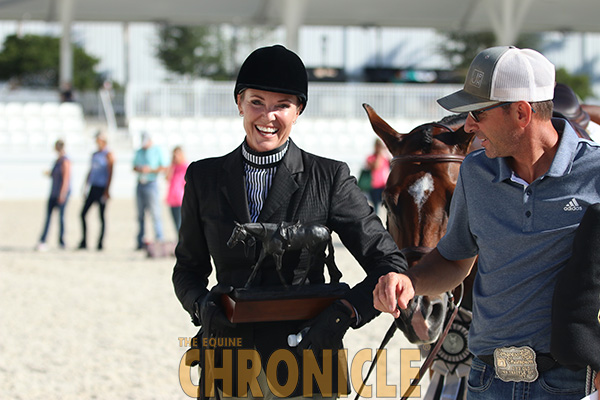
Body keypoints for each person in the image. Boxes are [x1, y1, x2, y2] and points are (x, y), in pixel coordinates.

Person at [172, 44, 407, 400]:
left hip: (308, 363)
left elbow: (389, 263)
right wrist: (200, 306)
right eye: (256, 102)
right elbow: (188, 269)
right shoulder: (203, 177)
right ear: (239, 103)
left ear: (298, 111)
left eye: (282, 105)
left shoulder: (329, 177)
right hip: (228, 363)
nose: (268, 116)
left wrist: (345, 313)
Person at [373, 46, 600, 398]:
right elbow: (454, 260)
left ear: (521, 113)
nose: (468, 125)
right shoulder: (475, 172)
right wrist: (411, 281)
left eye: (478, 112)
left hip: (570, 384)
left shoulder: (595, 174)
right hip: (487, 379)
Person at [78, 130, 114, 251]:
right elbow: (91, 171)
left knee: (101, 216)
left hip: (102, 188)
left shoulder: (108, 154)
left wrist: (107, 190)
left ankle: (100, 243)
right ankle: (84, 241)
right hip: (93, 187)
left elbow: (110, 173)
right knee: (83, 214)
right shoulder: (94, 155)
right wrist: (85, 186)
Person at [133, 131, 168, 250]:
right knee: (140, 215)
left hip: (152, 184)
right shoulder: (139, 151)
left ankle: (159, 239)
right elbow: (133, 166)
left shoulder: (157, 150)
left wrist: (150, 170)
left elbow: (164, 167)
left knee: (155, 213)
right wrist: (140, 169)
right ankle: (140, 241)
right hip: (140, 183)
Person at [36, 139, 71, 251]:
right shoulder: (57, 161)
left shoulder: (65, 161)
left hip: (60, 193)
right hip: (53, 192)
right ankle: (43, 240)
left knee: (61, 218)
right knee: (48, 217)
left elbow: (66, 179)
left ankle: (61, 241)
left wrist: (62, 193)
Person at [165, 145, 188, 232]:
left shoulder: (185, 167)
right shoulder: (173, 167)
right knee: (176, 224)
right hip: (172, 199)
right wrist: (171, 165)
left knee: (181, 224)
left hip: (181, 199)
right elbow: (167, 178)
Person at [365, 138, 390, 215]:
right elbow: (376, 166)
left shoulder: (385, 158)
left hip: (384, 185)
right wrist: (379, 155)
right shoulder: (371, 158)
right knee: (376, 206)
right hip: (374, 185)